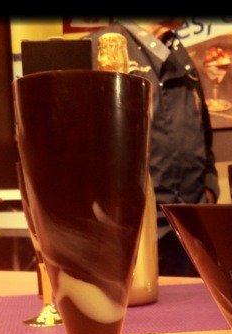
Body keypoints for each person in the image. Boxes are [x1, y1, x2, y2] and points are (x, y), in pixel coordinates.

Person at [84, 18, 220, 276]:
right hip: (132, 236)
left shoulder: (180, 56)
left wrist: (209, 188)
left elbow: (204, 136)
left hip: (192, 231)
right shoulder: (97, 48)